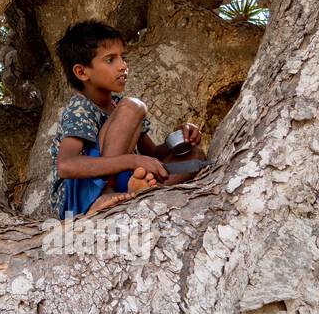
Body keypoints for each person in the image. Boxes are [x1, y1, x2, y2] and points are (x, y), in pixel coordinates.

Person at [48, 19, 206, 219]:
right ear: (81, 72)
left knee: (195, 156)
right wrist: (132, 160)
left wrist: (180, 138)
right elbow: (66, 166)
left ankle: (141, 193)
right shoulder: (81, 107)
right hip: (81, 197)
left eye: (123, 58)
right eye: (110, 60)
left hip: (124, 184)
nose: (123, 66)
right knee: (134, 106)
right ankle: (105, 194)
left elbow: (153, 153)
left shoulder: (117, 105)